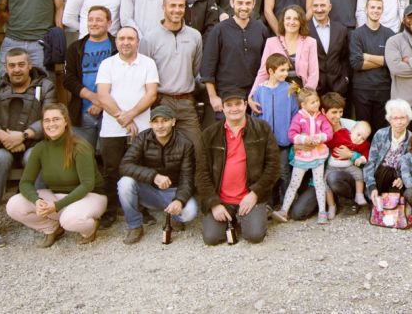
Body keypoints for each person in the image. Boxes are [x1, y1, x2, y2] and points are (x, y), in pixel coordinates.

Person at [4, 103, 105, 246]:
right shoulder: (40, 148)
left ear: (65, 122)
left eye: (56, 119)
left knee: (69, 221)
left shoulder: (80, 146)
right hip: (56, 196)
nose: (51, 124)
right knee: (14, 205)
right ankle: (51, 228)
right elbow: (25, 182)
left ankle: (91, 227)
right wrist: (36, 201)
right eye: (47, 120)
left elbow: (87, 185)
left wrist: (56, 206)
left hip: (90, 196)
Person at [94, 26, 160, 229]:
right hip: (112, 128)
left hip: (141, 128)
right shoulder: (107, 64)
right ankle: (110, 210)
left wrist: (131, 115)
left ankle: (142, 208)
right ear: (116, 42)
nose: (126, 42)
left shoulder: (147, 63)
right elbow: (103, 95)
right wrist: (122, 118)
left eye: (130, 38)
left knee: (142, 169)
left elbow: (151, 94)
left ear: (137, 41)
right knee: (112, 169)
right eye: (122, 38)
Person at [196, 88, 280, 246]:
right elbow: (201, 173)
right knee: (212, 238)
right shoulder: (209, 134)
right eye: (229, 105)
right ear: (223, 107)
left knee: (254, 236)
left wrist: (255, 193)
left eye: (238, 104)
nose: (234, 108)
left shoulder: (262, 129)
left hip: (249, 197)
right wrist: (213, 203)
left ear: (246, 104)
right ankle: (232, 217)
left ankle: (257, 212)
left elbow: (273, 166)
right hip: (221, 199)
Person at [0, 48, 55, 218]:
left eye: (21, 65)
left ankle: (40, 214)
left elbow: (51, 117)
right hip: (1, 144)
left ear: (29, 65)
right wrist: (4, 136)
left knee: (34, 157)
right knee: (1, 159)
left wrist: (23, 136)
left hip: (34, 143)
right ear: (6, 67)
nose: (16, 69)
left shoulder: (45, 86)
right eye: (12, 65)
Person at [117, 104, 198, 244]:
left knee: (190, 211)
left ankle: (173, 215)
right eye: (155, 122)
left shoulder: (185, 143)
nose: (160, 126)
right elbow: (125, 165)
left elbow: (187, 177)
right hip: (148, 190)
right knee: (125, 183)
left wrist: (179, 200)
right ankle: (135, 226)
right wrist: (153, 176)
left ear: (173, 122)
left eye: (164, 121)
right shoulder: (142, 138)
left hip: (172, 191)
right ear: (150, 124)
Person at [140, 0, 204, 155]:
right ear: (163, 8)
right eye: (172, 6)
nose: (177, 10)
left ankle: (194, 182)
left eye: (181, 6)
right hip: (162, 101)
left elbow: (195, 68)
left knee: (197, 149)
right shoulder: (150, 38)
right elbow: (144, 72)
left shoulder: (195, 36)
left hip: (187, 102)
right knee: (160, 151)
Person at [201, 0, 272, 114]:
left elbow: (266, 64)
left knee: (254, 132)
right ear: (232, 3)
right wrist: (213, 97)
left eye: (248, 3)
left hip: (255, 94)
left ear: (254, 4)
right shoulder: (219, 30)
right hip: (227, 96)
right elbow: (208, 66)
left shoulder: (261, 29)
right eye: (240, 3)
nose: (244, 7)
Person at [272, 87, 334, 224]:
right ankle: (284, 210)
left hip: (318, 156)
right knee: (294, 184)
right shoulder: (299, 118)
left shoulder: (321, 118)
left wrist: (319, 137)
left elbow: (329, 133)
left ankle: (322, 212)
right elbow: (291, 135)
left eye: (317, 101)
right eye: (312, 102)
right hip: (302, 157)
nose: (316, 104)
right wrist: (304, 139)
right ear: (303, 105)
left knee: (319, 183)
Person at [63, 6, 116, 149]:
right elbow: (68, 79)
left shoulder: (117, 47)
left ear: (109, 23)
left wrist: (101, 103)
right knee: (81, 157)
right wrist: (92, 97)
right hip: (82, 114)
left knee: (110, 160)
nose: (93, 23)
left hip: (111, 113)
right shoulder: (75, 48)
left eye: (98, 20)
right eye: (90, 20)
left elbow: (123, 80)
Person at [250, 53, 298, 194]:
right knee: (266, 171)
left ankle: (286, 203)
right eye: (282, 70)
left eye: (287, 70)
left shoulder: (290, 89)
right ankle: (269, 203)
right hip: (266, 141)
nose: (286, 73)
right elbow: (256, 114)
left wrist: (292, 133)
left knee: (283, 171)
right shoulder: (260, 90)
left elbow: (295, 113)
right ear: (271, 71)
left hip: (283, 140)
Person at [349, 0, 394, 133]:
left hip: (383, 89)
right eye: (372, 7)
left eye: (379, 8)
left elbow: (392, 62)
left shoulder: (389, 34)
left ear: (382, 10)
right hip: (362, 90)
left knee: (381, 130)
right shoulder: (357, 34)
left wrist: (368, 56)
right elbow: (357, 63)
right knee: (363, 130)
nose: (375, 10)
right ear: (366, 9)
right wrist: (382, 60)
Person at [251, 4, 319, 93]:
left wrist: (306, 96)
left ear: (301, 22)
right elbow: (263, 72)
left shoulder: (310, 42)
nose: (291, 22)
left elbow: (314, 74)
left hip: (302, 93)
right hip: (276, 93)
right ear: (283, 21)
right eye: (288, 18)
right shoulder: (271, 42)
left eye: (296, 19)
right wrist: (253, 94)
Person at [364, 99, 412, 208]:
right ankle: (376, 196)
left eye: (402, 118)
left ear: (408, 119)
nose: (399, 122)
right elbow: (371, 162)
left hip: (398, 181)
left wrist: (403, 178)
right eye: (395, 118)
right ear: (389, 120)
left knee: (394, 205)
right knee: (387, 169)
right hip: (379, 177)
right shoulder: (380, 134)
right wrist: (372, 186)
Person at [308, 0, 350, 100]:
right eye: (315, 6)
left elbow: (345, 58)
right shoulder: (304, 30)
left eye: (323, 5)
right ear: (311, 7)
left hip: (338, 88)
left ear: (329, 7)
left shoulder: (341, 30)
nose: (319, 9)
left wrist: (345, 79)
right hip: (313, 90)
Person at [326, 117, 371, 211]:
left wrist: (362, 158)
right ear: (352, 130)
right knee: (325, 184)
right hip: (332, 166)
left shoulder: (362, 144)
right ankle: (331, 205)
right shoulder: (342, 134)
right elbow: (329, 142)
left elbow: (367, 151)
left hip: (349, 166)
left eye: (363, 138)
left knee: (359, 173)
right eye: (358, 134)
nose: (359, 139)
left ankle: (359, 195)